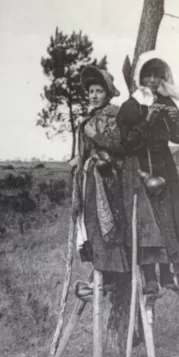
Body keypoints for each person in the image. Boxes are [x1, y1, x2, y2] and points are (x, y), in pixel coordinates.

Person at [116, 51, 179, 299]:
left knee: (170, 218)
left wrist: (175, 121)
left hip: (165, 167)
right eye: (148, 75)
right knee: (147, 223)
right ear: (140, 77)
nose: (152, 80)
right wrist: (147, 120)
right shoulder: (131, 106)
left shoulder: (166, 101)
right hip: (141, 169)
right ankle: (151, 278)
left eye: (157, 75)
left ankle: (170, 274)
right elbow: (127, 143)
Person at [71, 66, 129, 298]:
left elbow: (120, 146)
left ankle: (111, 276)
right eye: (91, 91)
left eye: (99, 91)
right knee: (92, 224)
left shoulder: (114, 115)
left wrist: (96, 137)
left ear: (108, 93)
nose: (94, 95)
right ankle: (100, 274)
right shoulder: (89, 117)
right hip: (90, 178)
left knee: (107, 224)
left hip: (108, 178)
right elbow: (86, 149)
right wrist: (80, 157)